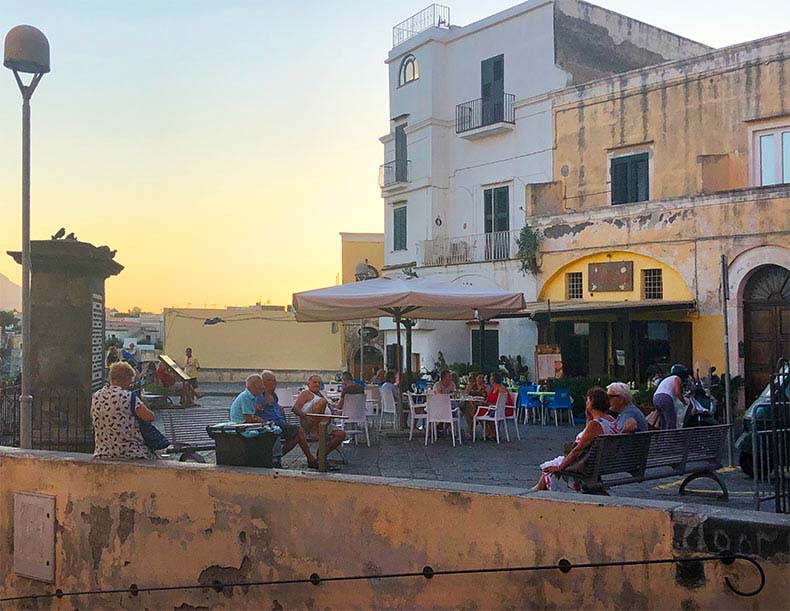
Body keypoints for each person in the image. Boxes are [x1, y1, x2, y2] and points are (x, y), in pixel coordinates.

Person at [532, 387, 619, 491]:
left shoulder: (595, 425)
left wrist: (560, 467)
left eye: (588, 400)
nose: (586, 403)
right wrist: (588, 418)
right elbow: (588, 436)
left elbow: (579, 449)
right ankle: (536, 490)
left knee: (550, 467)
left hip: (585, 464)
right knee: (553, 464)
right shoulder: (610, 420)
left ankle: (534, 493)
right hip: (597, 462)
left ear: (591, 402)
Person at [230, 372, 319, 469]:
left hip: (276, 422)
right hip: (266, 423)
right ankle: (309, 459)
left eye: (275, 380)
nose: (275, 383)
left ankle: (274, 458)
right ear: (263, 382)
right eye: (271, 380)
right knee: (297, 431)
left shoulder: (271, 395)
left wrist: (279, 408)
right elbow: (249, 416)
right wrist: (258, 415)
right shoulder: (256, 396)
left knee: (296, 436)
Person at [91, 361, 156, 460]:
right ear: (125, 379)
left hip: (102, 452)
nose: (130, 384)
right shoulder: (128, 397)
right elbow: (150, 417)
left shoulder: (96, 396)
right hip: (131, 452)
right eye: (130, 380)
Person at [292, 374, 347, 454]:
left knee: (341, 434)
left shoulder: (321, 394)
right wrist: (306, 417)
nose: (317, 384)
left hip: (325, 423)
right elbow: (295, 409)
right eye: (314, 382)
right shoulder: (306, 393)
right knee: (322, 402)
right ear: (309, 384)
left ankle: (321, 454)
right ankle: (315, 430)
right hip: (310, 423)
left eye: (319, 383)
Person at [652, 364, 690, 429]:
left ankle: (663, 437)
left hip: (656, 398)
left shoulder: (667, 378)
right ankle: (671, 438)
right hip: (666, 398)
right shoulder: (677, 378)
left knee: (663, 421)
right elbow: (678, 392)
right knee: (671, 421)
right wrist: (684, 402)